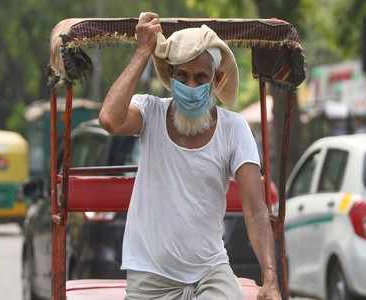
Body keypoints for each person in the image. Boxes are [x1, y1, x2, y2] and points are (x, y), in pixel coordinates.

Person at [99, 12, 281, 300]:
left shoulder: (234, 128)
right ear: (171, 77)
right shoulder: (150, 111)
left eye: (200, 77)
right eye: (182, 76)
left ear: (216, 80)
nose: (191, 86)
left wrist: (270, 277)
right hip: (150, 275)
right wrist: (142, 52)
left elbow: (256, 209)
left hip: (210, 272)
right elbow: (109, 119)